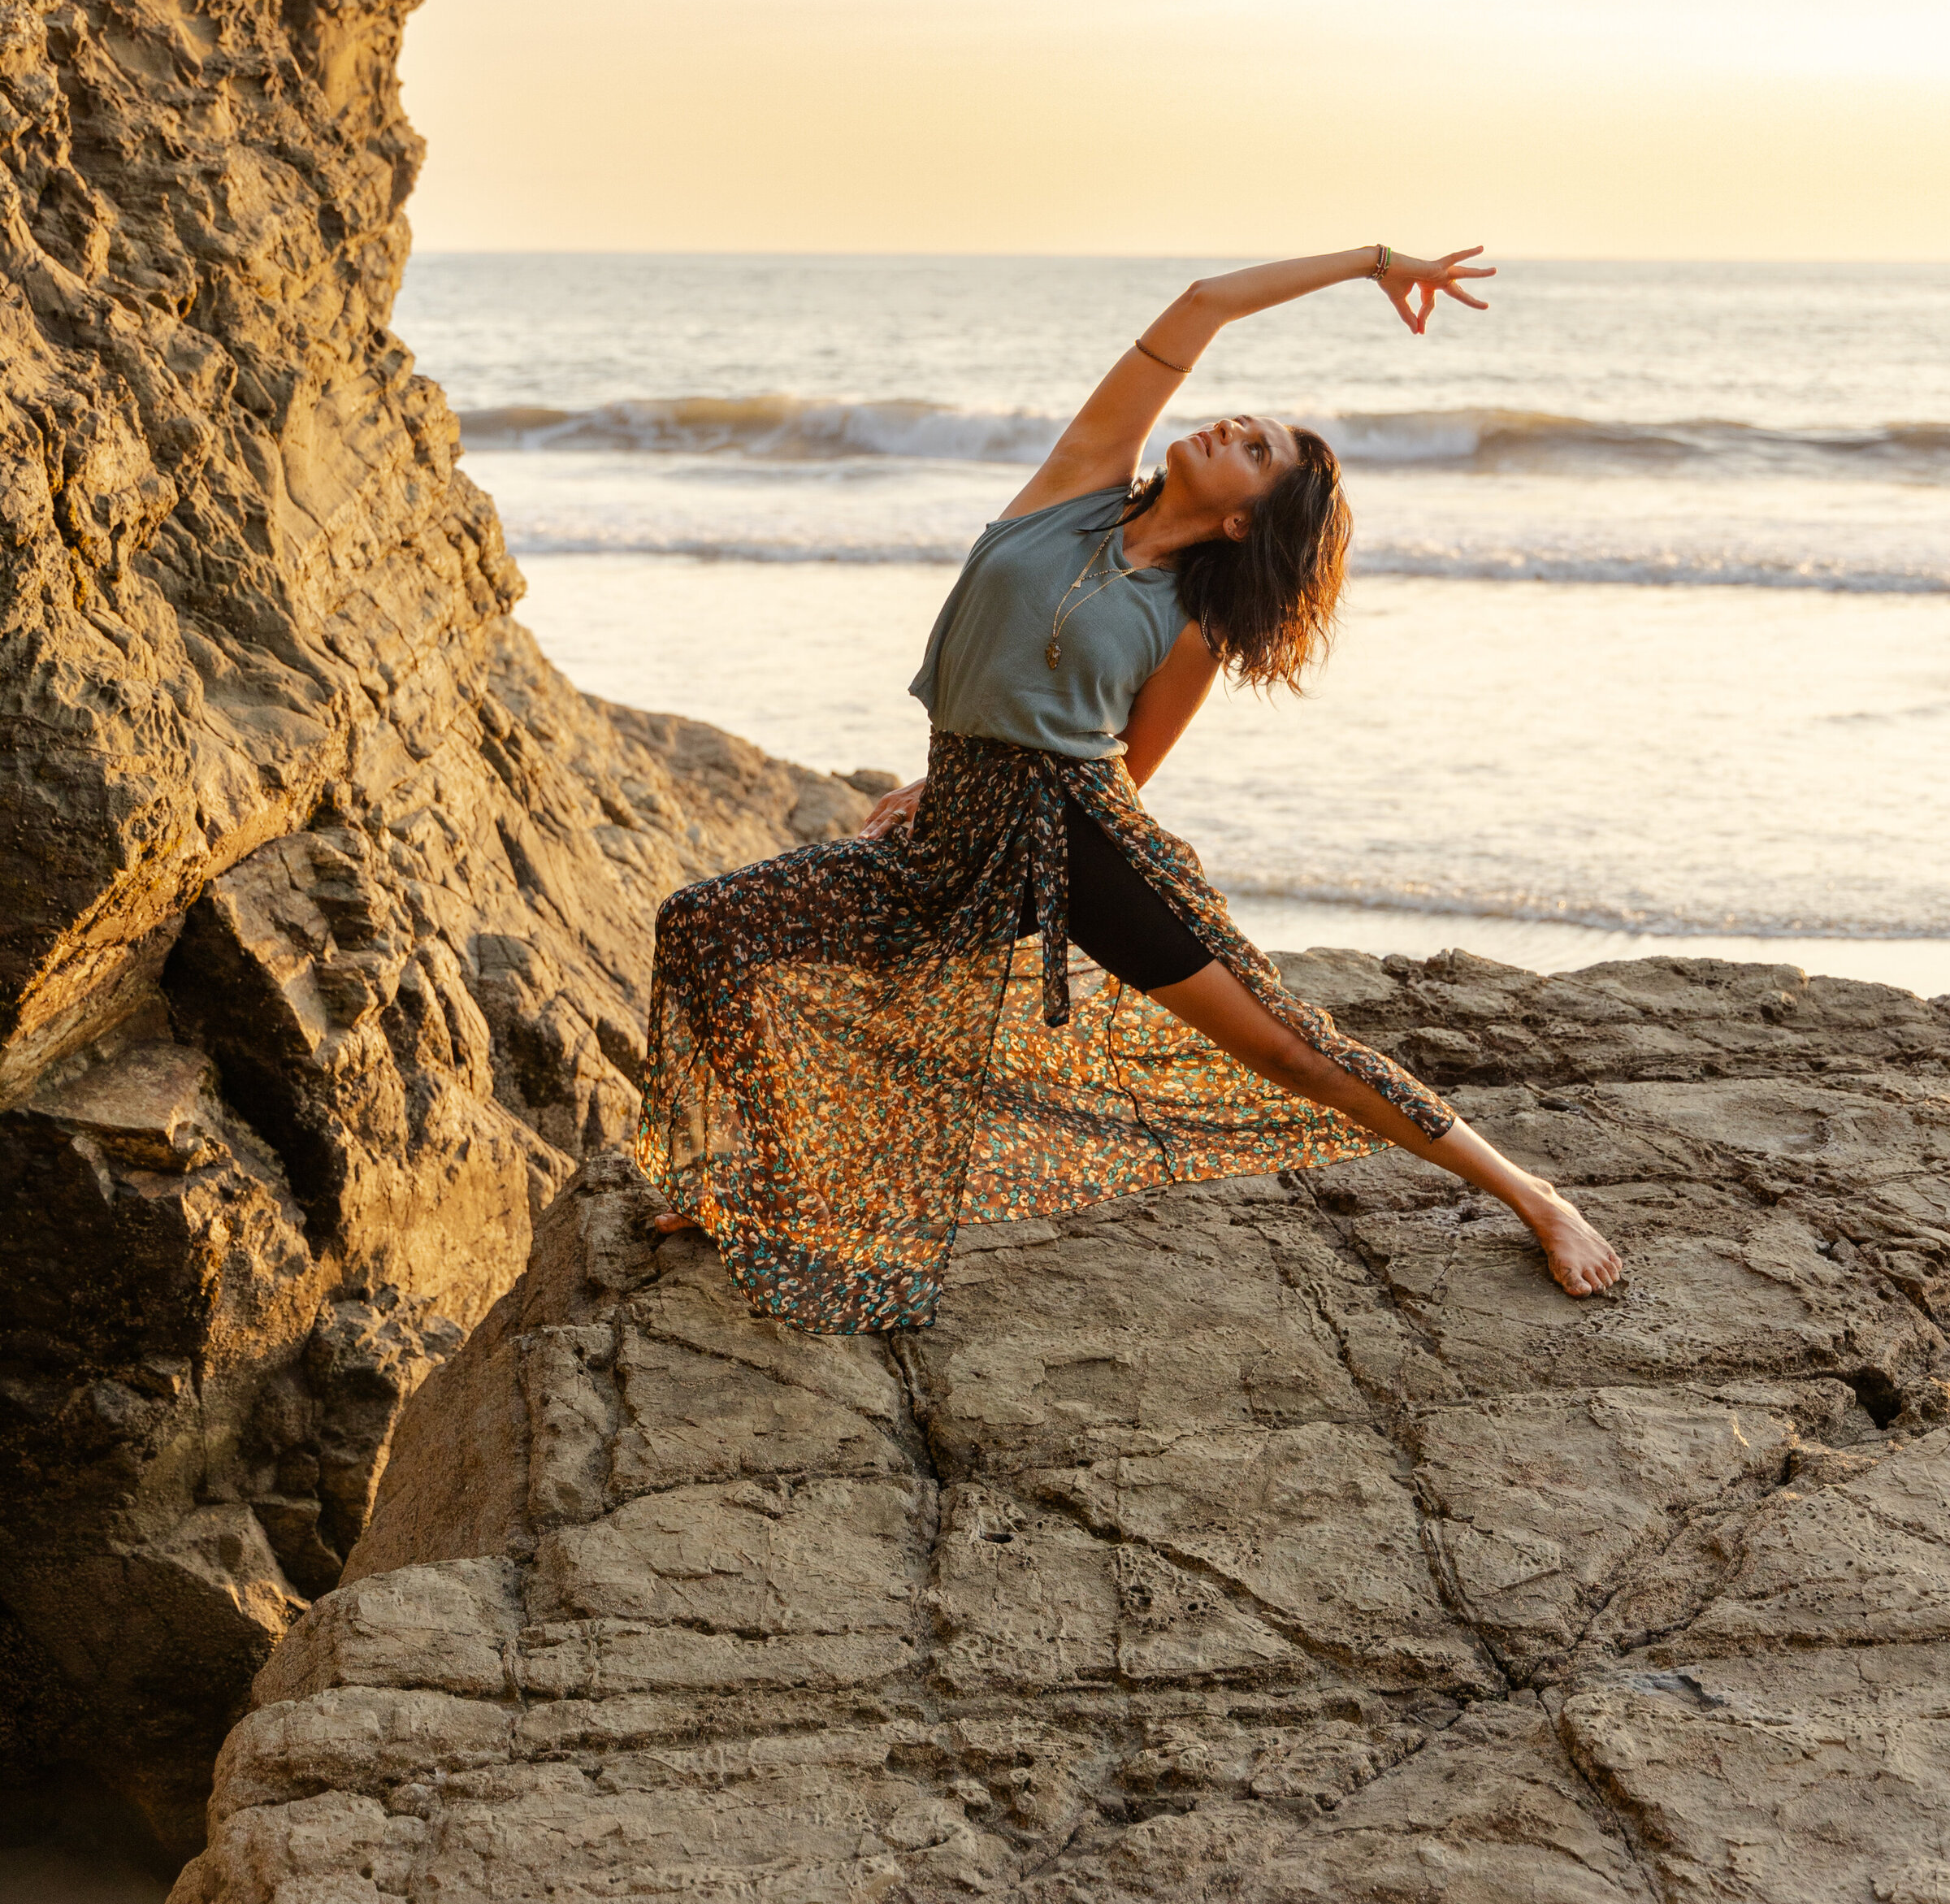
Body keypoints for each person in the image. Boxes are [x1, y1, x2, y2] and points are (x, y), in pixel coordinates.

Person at [635, 242, 1623, 1330]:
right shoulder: (1076, 490)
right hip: (953, 831)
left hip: (1081, 845)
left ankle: (1534, 1198)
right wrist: (1371, 263)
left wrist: (1069, 839)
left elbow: (1128, 762)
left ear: (1248, 518)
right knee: (705, 926)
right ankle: (782, 1175)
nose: (1228, 428)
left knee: (1287, 1043)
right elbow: (1201, 306)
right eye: (1243, 421)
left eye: (1255, 449)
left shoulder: (1190, 623)